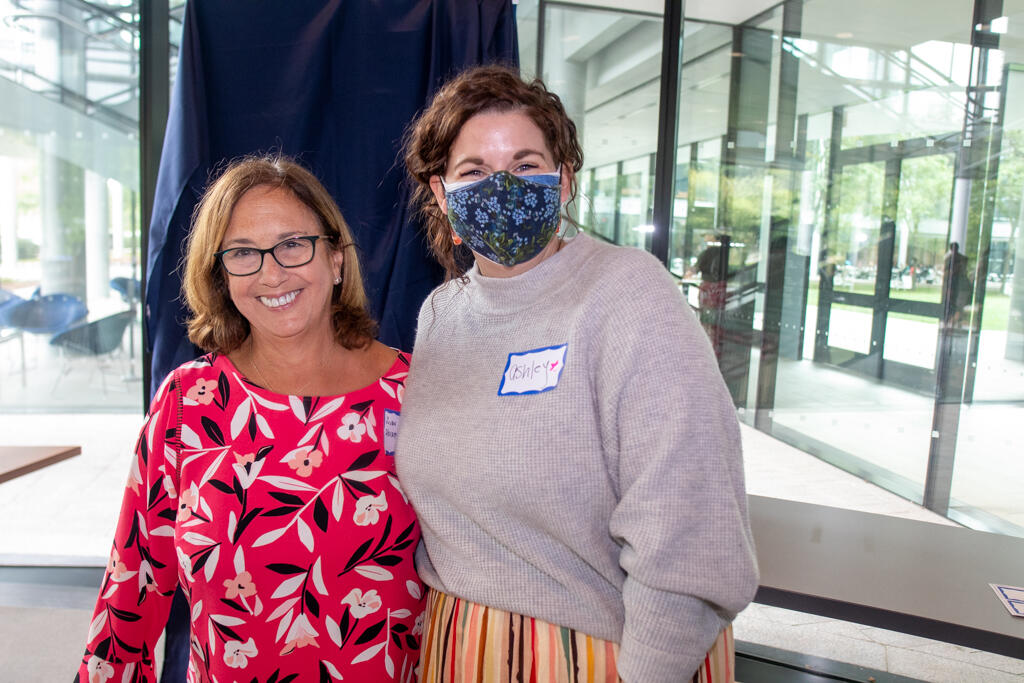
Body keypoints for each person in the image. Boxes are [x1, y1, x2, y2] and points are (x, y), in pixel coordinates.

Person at [399, 65, 758, 683]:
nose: (502, 187)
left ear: (563, 181)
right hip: (460, 648)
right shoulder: (442, 313)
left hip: (593, 657)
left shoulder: (626, 292)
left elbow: (690, 528)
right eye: (474, 172)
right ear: (441, 193)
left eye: (526, 163)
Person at [76, 155, 424, 682]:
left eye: (291, 244)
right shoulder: (187, 403)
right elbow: (132, 589)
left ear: (335, 258)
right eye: (243, 253)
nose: (271, 271)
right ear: (221, 277)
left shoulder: (416, 393)